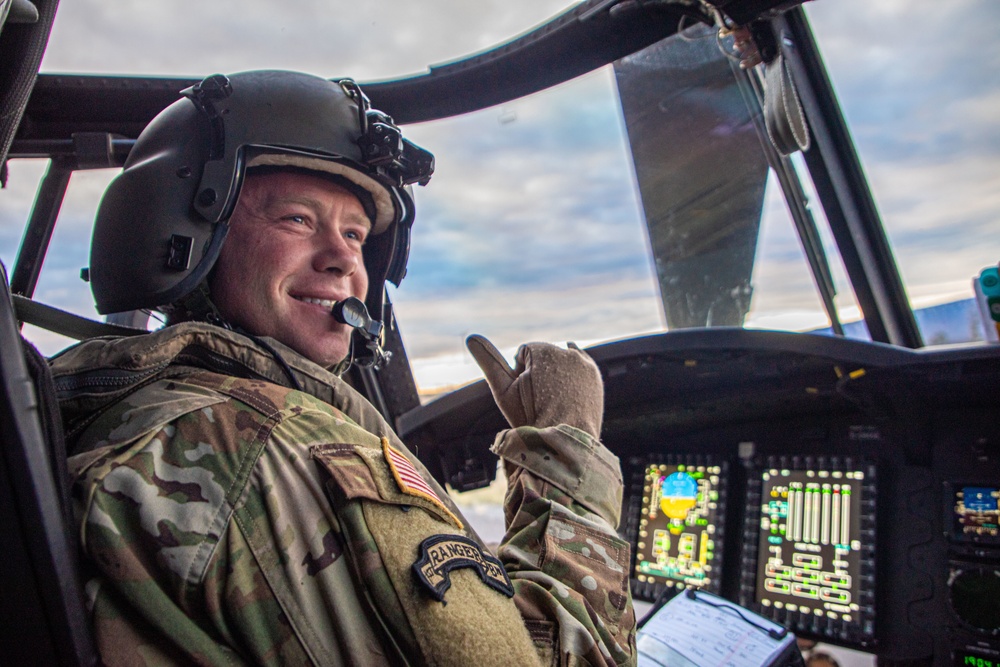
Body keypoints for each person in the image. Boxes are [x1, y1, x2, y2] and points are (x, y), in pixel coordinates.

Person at [51, 70, 636, 666]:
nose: (341, 261)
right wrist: (570, 453)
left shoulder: (135, 409)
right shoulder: (270, 447)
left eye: (355, 235)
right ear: (188, 235)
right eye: (297, 220)